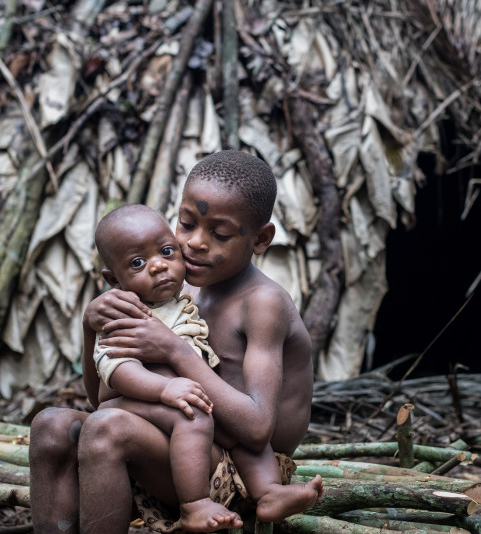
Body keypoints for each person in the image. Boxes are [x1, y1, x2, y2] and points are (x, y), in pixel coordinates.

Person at [28, 150, 324, 534]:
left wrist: (172, 349)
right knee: (51, 425)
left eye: (219, 234)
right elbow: (102, 397)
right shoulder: (177, 293)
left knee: (107, 429)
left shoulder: (262, 304)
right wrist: (90, 329)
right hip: (179, 440)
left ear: (261, 239)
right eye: (186, 224)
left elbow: (256, 429)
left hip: (245, 471)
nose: (195, 243)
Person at [91, 203, 238, 532]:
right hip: (141, 405)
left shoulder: (179, 304)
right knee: (193, 415)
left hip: (165, 415)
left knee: (195, 414)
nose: (158, 266)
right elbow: (115, 372)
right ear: (114, 280)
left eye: (167, 251)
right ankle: (194, 504)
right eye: (138, 263)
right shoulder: (124, 313)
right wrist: (165, 387)